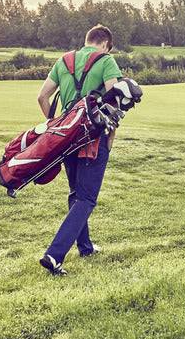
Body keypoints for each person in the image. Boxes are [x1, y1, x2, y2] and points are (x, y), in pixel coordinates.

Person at [34, 24, 123, 276]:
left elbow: (42, 97)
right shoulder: (106, 61)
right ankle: (54, 255)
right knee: (86, 198)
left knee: (76, 194)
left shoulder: (64, 60)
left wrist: (59, 127)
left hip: (67, 138)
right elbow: (114, 103)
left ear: (87, 41)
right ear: (106, 44)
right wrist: (110, 138)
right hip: (93, 139)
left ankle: (85, 247)